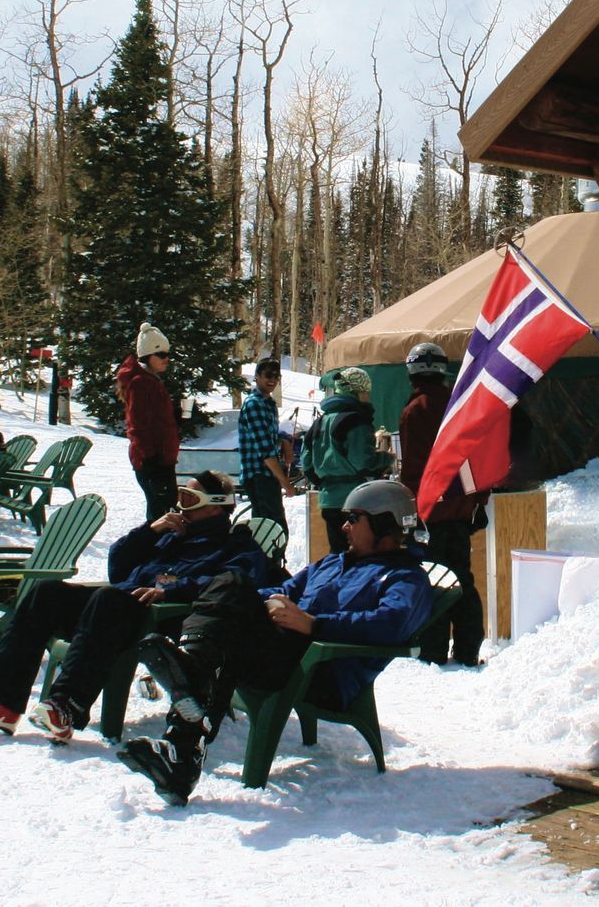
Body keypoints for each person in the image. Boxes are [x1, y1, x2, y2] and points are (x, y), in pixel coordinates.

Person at [118, 478, 435, 805]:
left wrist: (314, 625)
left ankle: (189, 677)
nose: (344, 526)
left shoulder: (405, 576)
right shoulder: (333, 563)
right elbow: (284, 591)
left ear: (385, 523)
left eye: (354, 518)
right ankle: (180, 757)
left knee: (231, 593)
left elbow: (391, 622)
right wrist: (253, 601)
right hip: (284, 654)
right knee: (231, 587)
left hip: (320, 673)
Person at [0, 472, 275, 744]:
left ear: (217, 507)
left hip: (164, 619)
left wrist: (173, 589)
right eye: (180, 496)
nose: (180, 506)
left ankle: (66, 706)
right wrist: (150, 531)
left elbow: (238, 584)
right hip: (117, 609)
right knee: (45, 593)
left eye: (190, 499)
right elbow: (117, 568)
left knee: (107, 600)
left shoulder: (235, 544)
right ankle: (1, 699)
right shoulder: (172, 535)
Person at [397, 342, 486, 667]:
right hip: (461, 507)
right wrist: (477, 501)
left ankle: (433, 650)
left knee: (432, 579)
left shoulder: (415, 411)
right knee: (461, 577)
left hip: (430, 512)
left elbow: (414, 469)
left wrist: (409, 512)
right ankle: (467, 649)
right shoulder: (461, 406)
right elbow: (478, 458)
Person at [300, 367, 391, 554]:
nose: (368, 396)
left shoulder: (320, 422)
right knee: (357, 553)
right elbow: (362, 462)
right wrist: (386, 459)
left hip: (328, 499)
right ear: (357, 391)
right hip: (353, 500)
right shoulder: (356, 421)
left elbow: (306, 462)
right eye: (366, 391)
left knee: (337, 553)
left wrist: (325, 483)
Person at [117, 322, 180, 519]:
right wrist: (152, 462)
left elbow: (157, 421)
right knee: (161, 513)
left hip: (160, 460)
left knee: (162, 509)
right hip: (153, 462)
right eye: (161, 355)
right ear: (147, 356)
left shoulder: (151, 381)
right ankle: (153, 547)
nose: (166, 359)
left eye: (167, 354)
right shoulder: (141, 383)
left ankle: (156, 546)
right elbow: (139, 426)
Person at [237, 359, 289, 532]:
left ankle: (268, 559)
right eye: (268, 375)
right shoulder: (254, 404)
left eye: (276, 376)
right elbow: (265, 450)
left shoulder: (269, 403)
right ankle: (266, 560)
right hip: (259, 475)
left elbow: (270, 437)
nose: (272, 379)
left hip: (267, 475)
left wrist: (284, 442)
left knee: (270, 529)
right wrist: (285, 482)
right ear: (257, 377)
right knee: (271, 530)